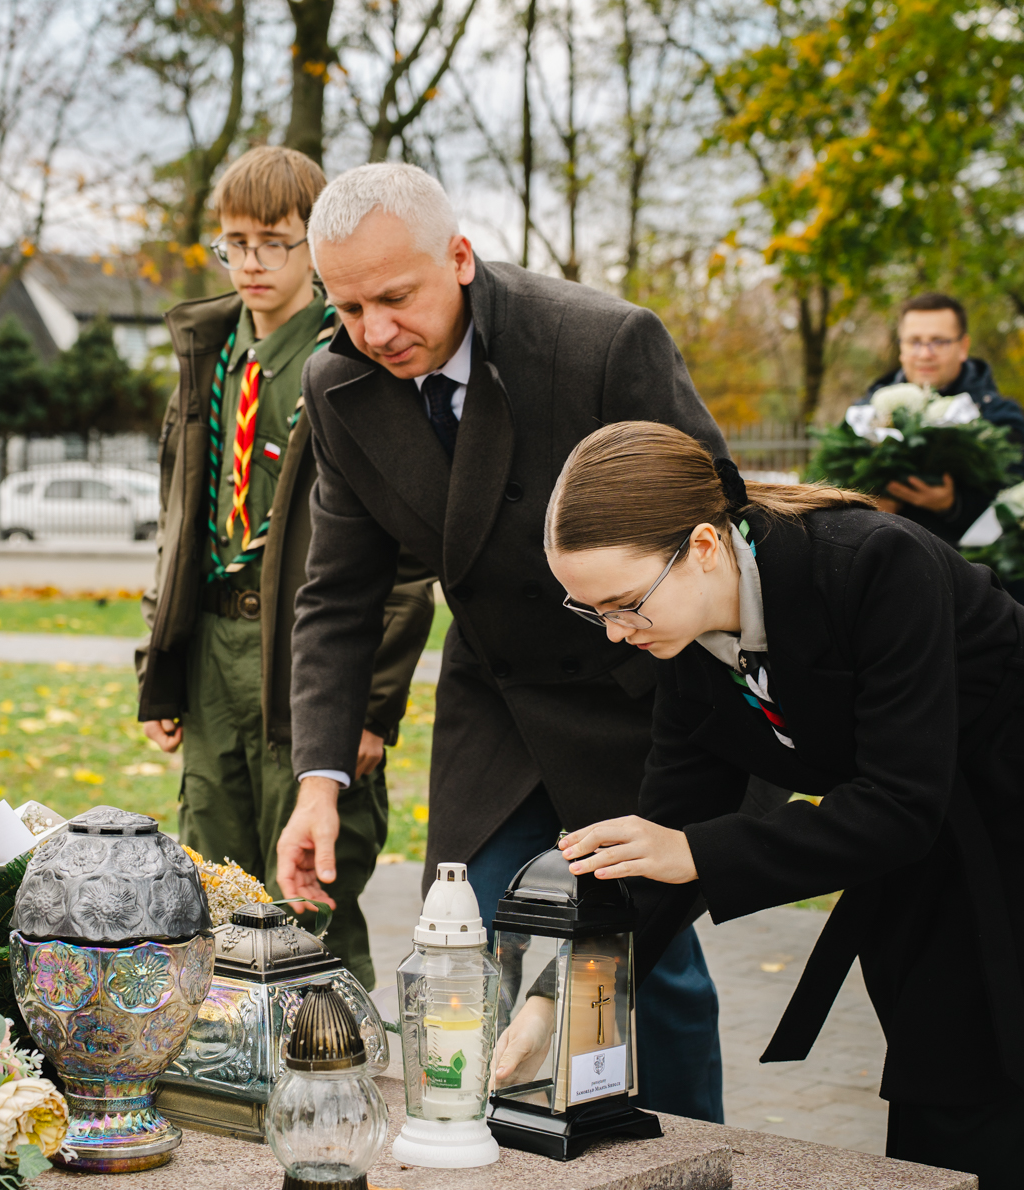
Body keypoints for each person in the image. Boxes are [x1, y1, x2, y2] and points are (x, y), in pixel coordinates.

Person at [509, 421, 1024, 1190]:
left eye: (623, 603)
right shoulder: (685, 642)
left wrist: (698, 854)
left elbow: (896, 806)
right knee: (965, 1108)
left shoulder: (874, 563)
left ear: (703, 548)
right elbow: (666, 847)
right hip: (926, 831)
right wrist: (558, 1002)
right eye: (591, 611)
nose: (614, 633)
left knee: (983, 1098)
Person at [273, 162, 732, 1122]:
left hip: (638, 692)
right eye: (348, 307)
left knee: (643, 960)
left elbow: (715, 523)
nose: (375, 332)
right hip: (498, 702)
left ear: (460, 257)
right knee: (464, 941)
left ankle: (695, 1156)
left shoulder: (599, 343)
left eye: (396, 298)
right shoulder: (337, 385)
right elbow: (339, 597)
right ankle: (481, 1155)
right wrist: (319, 784)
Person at [133, 147, 433, 987]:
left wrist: (371, 707)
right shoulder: (207, 357)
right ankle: (225, 1055)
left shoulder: (351, 357)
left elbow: (405, 558)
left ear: (315, 245)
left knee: (307, 898)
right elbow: (178, 523)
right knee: (209, 890)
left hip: (308, 661)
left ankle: (337, 1055)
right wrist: (160, 664)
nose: (252, 263)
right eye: (235, 243)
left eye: (274, 241)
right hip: (212, 655)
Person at [858, 292, 1024, 543]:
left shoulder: (998, 417)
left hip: (967, 561)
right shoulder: (863, 415)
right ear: (901, 347)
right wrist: (867, 506)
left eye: (938, 342)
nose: (925, 354)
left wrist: (954, 505)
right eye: (914, 342)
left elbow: (1020, 497)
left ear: (963, 347)